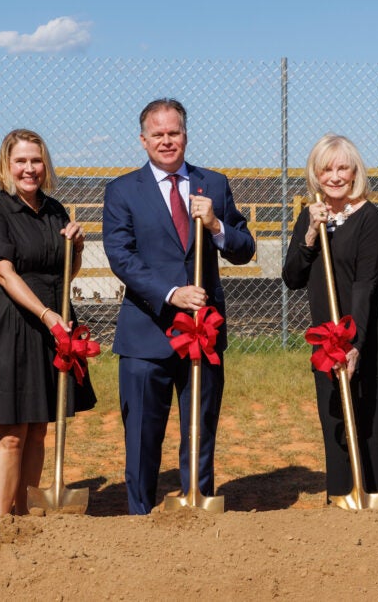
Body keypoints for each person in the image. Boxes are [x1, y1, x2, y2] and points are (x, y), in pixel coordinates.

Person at [103, 98, 256, 515]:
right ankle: (139, 514)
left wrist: (218, 225)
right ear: (143, 140)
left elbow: (245, 249)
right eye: (158, 134)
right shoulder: (122, 191)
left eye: (174, 133)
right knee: (141, 433)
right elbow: (121, 255)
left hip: (203, 333)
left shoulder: (215, 185)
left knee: (200, 428)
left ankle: (196, 504)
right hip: (146, 332)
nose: (166, 141)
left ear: (185, 136)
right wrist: (172, 293)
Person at [282, 134, 378, 503]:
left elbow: (365, 285)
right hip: (329, 337)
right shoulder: (312, 216)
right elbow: (292, 277)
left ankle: (375, 498)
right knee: (337, 425)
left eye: (343, 167)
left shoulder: (371, 219)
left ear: (356, 171)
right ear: (315, 173)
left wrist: (355, 345)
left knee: (370, 425)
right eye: (326, 168)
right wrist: (310, 233)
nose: (335, 175)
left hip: (373, 334)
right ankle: (341, 500)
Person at [0, 128, 96, 517]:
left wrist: (77, 246)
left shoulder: (56, 211)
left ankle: (27, 516)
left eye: (36, 160)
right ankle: (0, 521)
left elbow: (64, 274)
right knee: (10, 433)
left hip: (48, 326)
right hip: (7, 325)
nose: (29, 169)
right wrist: (46, 314)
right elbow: (3, 273)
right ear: (6, 165)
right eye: (20, 161)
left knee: (39, 426)